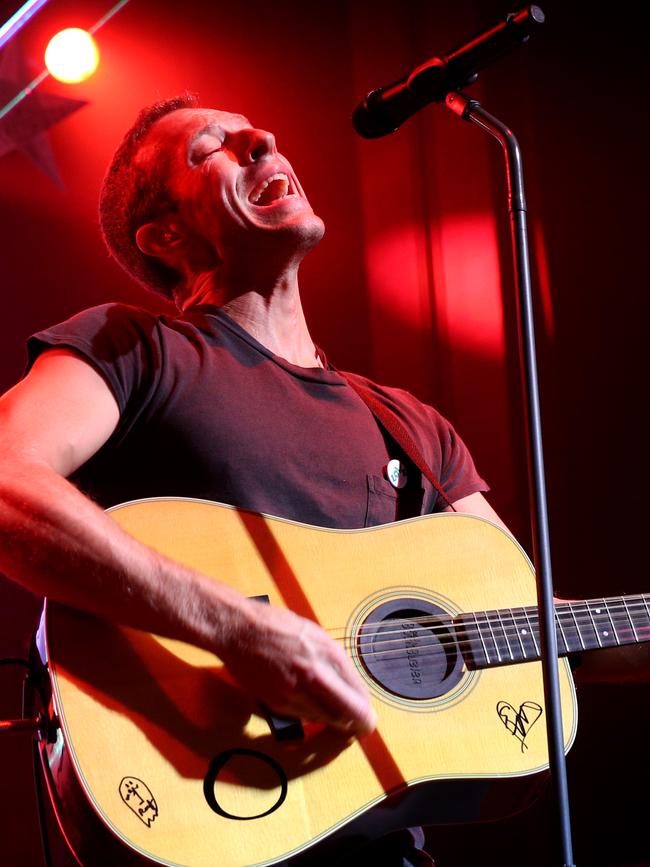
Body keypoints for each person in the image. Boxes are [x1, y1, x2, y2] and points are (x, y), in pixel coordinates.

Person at [0, 95, 645, 866]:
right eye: (213, 146)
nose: (262, 137)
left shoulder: (412, 423)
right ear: (166, 236)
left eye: (254, 129)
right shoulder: (135, 347)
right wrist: (236, 629)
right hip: (210, 810)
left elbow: (535, 619)